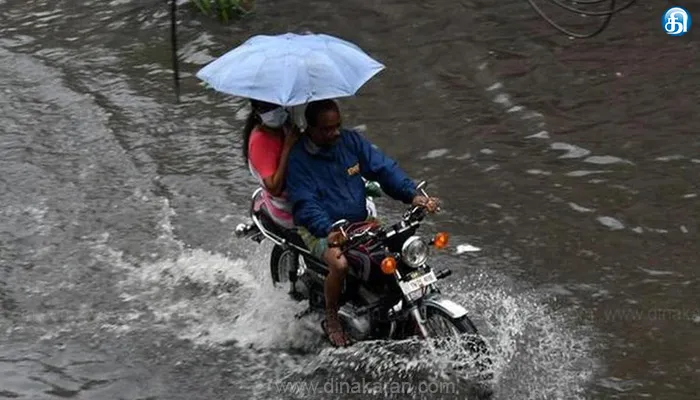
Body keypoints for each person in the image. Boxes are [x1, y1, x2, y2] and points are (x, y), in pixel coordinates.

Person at [284, 99, 439, 347]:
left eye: (337, 125)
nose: (334, 132)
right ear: (310, 128)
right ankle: (332, 318)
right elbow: (305, 202)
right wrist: (328, 230)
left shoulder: (350, 142)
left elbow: (383, 168)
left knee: (394, 253)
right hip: (322, 228)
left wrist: (413, 195)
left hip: (360, 220)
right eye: (327, 129)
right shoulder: (299, 160)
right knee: (340, 263)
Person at [242, 99, 301, 229]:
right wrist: (288, 147)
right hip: (286, 208)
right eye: (267, 109)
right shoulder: (260, 140)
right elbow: (274, 187)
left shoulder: (286, 128)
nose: (274, 112)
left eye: (276, 107)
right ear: (257, 111)